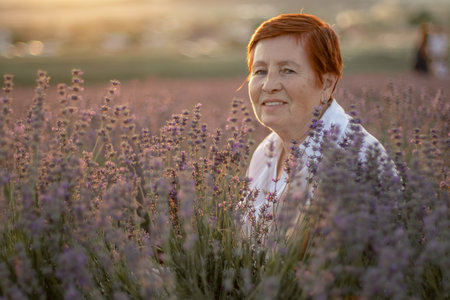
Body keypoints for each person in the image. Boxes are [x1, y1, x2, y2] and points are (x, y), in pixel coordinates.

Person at [244, 13, 391, 233]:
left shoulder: (352, 159)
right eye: (260, 71)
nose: (269, 85)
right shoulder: (267, 150)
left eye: (287, 70)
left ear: (327, 84)